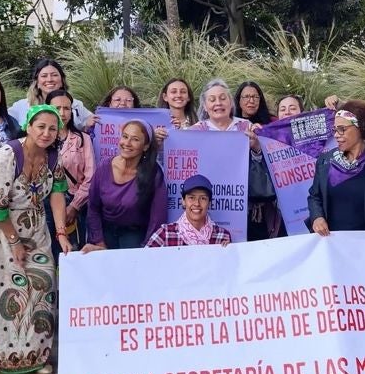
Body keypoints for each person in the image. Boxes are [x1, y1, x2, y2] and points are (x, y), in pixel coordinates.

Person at [0, 105, 72, 374]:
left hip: (33, 227)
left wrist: (61, 233)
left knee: (42, 285)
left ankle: (36, 355)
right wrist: (14, 243)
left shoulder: (53, 157)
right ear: (28, 126)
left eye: (52, 127)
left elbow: (57, 193)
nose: (46, 133)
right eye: (40, 127)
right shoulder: (7, 156)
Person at [192, 80, 277, 240]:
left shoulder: (246, 126)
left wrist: (257, 147)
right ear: (205, 106)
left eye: (223, 98)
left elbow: (264, 160)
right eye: (212, 99)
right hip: (207, 207)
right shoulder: (194, 131)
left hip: (245, 206)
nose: (218, 103)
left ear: (231, 102)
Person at [307, 100, 365, 238]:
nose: (336, 135)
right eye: (335, 129)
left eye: (342, 129)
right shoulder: (325, 161)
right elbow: (315, 196)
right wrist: (317, 217)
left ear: (361, 127)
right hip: (332, 242)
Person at [83, 119, 168, 251]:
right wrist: (99, 241)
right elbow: (93, 207)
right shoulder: (104, 167)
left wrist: (147, 249)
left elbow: (157, 218)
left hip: (134, 238)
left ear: (145, 146)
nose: (127, 143)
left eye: (135, 139)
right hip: (103, 235)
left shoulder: (154, 174)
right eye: (125, 136)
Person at [47, 90, 94, 253]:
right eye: (57, 108)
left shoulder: (82, 139)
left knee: (71, 252)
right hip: (43, 206)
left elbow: (90, 176)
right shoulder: (41, 138)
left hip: (74, 205)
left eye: (66, 108)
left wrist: (74, 206)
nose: (62, 113)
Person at [146, 174, 233, 247]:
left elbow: (230, 266)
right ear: (183, 201)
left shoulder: (222, 236)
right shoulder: (165, 234)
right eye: (191, 198)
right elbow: (143, 262)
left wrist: (229, 253)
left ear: (209, 203)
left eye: (203, 198)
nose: (197, 203)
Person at [8, 59, 94, 130]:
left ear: (62, 81)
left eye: (54, 75)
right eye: (44, 76)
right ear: (37, 82)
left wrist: (89, 125)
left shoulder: (75, 105)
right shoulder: (22, 106)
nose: (49, 79)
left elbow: (92, 123)